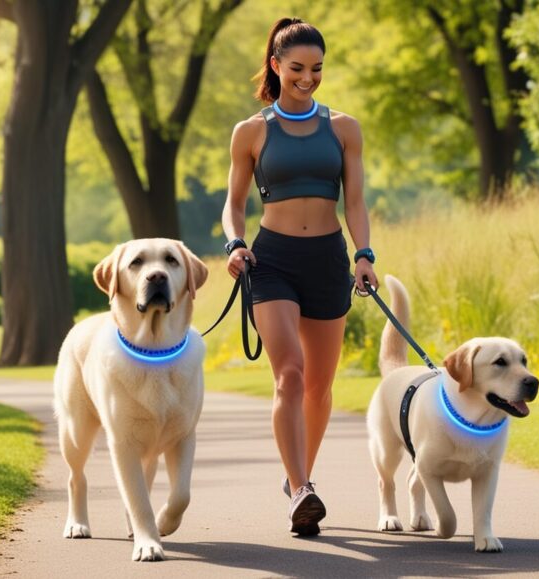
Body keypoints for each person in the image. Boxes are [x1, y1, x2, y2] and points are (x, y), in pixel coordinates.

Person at [221, 17, 378, 536]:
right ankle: (303, 488)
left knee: (319, 386)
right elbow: (233, 204)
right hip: (274, 261)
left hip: (328, 259)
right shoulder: (251, 131)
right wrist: (235, 244)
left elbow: (353, 201)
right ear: (275, 66)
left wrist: (364, 254)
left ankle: (297, 481)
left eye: (316, 69)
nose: (307, 78)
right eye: (296, 69)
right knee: (288, 373)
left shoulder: (344, 128)